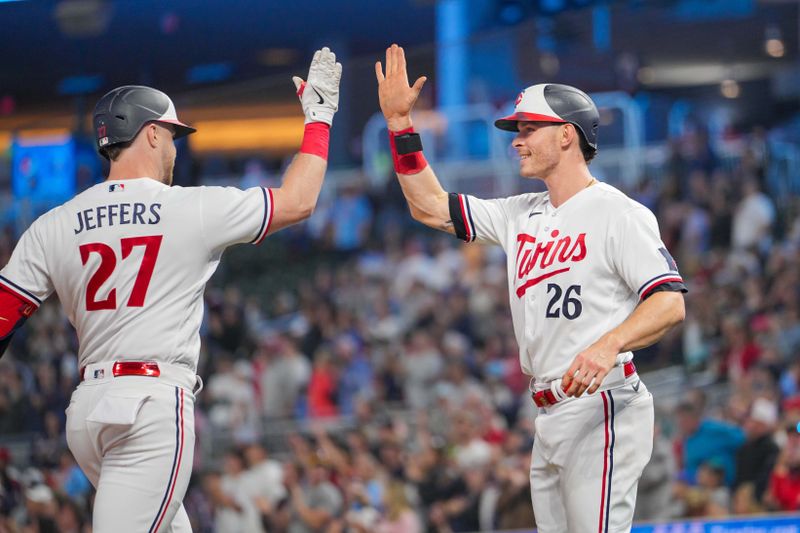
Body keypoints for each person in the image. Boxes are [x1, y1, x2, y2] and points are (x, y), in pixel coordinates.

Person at [0, 47, 341, 532]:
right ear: (152, 132)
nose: (176, 148)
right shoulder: (188, 208)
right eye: (173, 136)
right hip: (149, 409)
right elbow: (300, 201)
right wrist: (320, 118)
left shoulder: (54, 223)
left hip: (87, 412)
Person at [375, 43, 686, 532]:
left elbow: (668, 303)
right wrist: (400, 126)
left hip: (602, 402)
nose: (517, 140)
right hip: (548, 412)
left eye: (528, 128)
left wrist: (609, 345)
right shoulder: (520, 213)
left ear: (567, 135)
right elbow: (430, 207)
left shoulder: (618, 212)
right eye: (517, 130)